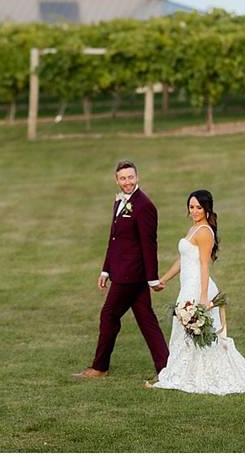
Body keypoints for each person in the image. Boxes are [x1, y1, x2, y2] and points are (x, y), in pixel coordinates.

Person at [147, 189, 245, 395]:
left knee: (200, 334)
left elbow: (204, 265)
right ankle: (183, 373)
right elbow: (182, 260)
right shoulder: (193, 228)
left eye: (198, 208)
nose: (194, 211)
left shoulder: (204, 232)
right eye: (191, 207)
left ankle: (200, 376)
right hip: (187, 286)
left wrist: (203, 297)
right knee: (184, 333)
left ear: (207, 209)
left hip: (197, 287)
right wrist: (164, 280)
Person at [74, 160, 169, 380]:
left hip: (131, 275)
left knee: (109, 315)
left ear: (138, 177)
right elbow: (114, 239)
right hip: (120, 271)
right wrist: (105, 270)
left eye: (131, 177)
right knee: (146, 319)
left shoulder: (145, 206)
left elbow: (149, 244)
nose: (127, 182)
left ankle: (100, 367)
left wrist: (152, 278)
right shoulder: (119, 202)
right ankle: (166, 368)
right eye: (123, 178)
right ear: (116, 180)